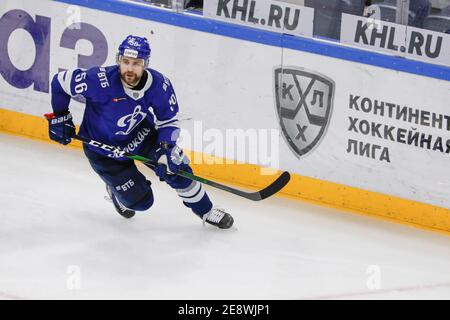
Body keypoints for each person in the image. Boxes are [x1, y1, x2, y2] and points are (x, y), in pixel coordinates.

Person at [45, 35, 234, 229]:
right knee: (141, 203)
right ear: (118, 60)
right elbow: (59, 82)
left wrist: (166, 148)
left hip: (141, 136)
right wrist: (61, 116)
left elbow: (168, 120)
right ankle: (116, 192)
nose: (129, 68)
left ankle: (206, 211)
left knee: (178, 170)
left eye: (136, 63)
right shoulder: (98, 80)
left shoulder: (159, 85)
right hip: (103, 152)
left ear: (146, 63)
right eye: (125, 62)